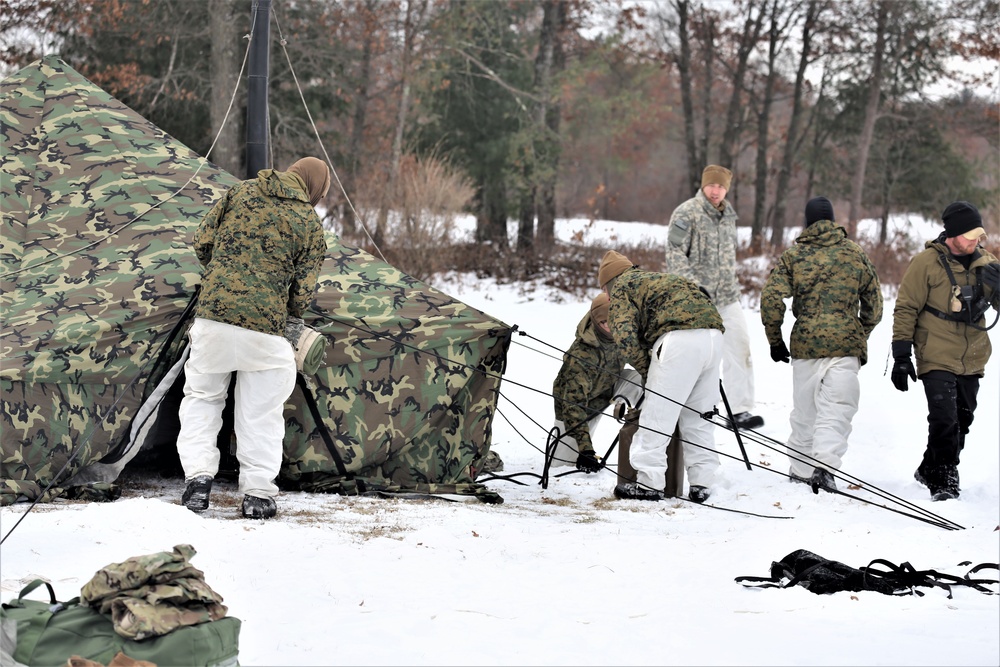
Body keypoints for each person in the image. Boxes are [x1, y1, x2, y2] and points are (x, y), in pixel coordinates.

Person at [176, 157, 331, 519]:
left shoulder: (240, 191)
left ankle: (197, 479)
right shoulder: (308, 222)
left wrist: (225, 277)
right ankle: (258, 494)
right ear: (314, 187)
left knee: (202, 397)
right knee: (261, 411)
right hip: (265, 331)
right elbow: (301, 296)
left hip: (213, 319)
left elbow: (202, 242)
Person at [760, 197, 883, 493]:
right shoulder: (855, 254)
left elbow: (771, 298)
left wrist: (775, 339)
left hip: (806, 345)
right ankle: (825, 469)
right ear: (833, 219)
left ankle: (800, 470)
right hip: (845, 345)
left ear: (807, 222)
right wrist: (857, 331)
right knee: (837, 408)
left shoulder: (795, 256)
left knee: (805, 411)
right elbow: (875, 305)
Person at [891, 200, 1000, 501]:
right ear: (952, 234)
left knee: (962, 420)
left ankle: (930, 467)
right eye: (970, 235)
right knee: (944, 418)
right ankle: (944, 477)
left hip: (973, 355)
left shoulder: (988, 263)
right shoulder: (925, 263)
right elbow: (906, 308)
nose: (977, 241)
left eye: (979, 235)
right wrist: (901, 354)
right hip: (935, 351)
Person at [598, 250, 725, 503]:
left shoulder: (623, 287)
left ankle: (649, 483)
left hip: (679, 341)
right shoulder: (658, 279)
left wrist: (649, 371)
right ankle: (702, 483)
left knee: (657, 415)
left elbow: (624, 337)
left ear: (608, 284)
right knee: (699, 416)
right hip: (714, 336)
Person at [664, 165, 763, 430]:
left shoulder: (729, 215)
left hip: (728, 297)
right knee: (694, 355)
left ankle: (739, 410)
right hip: (696, 299)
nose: (716, 191)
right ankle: (684, 407)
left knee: (739, 349)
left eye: (721, 186)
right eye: (712, 185)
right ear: (703, 185)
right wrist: (693, 287)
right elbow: (674, 254)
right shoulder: (686, 212)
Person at [551, 293, 643, 473]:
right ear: (596, 320)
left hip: (609, 388)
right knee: (560, 467)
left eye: (614, 321)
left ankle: (650, 437)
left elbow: (641, 359)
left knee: (644, 379)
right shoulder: (582, 354)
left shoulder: (622, 333)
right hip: (579, 409)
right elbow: (573, 405)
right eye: (604, 322)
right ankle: (566, 452)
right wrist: (586, 450)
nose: (610, 326)